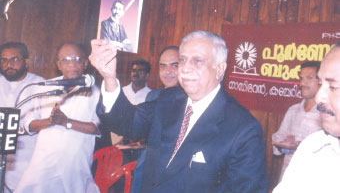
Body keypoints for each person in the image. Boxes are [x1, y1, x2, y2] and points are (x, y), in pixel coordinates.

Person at [89, 30, 268, 193]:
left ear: (220, 68)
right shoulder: (168, 99)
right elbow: (128, 123)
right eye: (183, 60)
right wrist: (109, 77)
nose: (186, 68)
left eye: (197, 61)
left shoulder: (243, 128)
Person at [15, 42, 100, 193]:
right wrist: (49, 121)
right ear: (58, 65)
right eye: (66, 59)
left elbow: (96, 128)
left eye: (77, 59)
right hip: (44, 161)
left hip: (75, 162)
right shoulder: (46, 88)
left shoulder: (95, 92)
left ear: (85, 63)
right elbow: (28, 124)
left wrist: (66, 122)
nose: (72, 64)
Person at [273, 43, 340, 193]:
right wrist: (283, 143)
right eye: (322, 83)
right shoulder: (313, 144)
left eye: (333, 86)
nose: (319, 97)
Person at [130, 45, 179, 193]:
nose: (167, 72)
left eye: (174, 66)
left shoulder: (192, 98)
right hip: (146, 166)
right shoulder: (152, 96)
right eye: (163, 66)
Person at [0, 42, 45, 192]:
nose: (8, 65)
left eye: (14, 59)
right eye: (4, 60)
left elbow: (40, 122)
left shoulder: (39, 84)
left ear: (26, 62)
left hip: (25, 154)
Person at [272, 61, 322, 180]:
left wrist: (300, 146)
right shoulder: (293, 110)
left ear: (321, 81)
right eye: (301, 78)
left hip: (314, 180)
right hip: (287, 178)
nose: (302, 83)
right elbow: (278, 143)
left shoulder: (327, 114)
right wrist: (283, 146)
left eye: (309, 78)